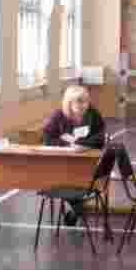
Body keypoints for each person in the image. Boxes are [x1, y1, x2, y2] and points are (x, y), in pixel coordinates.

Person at [42, 85, 107, 225]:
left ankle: (76, 211)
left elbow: (101, 137)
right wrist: (67, 145)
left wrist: (82, 144)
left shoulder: (93, 114)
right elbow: (47, 139)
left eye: (86, 101)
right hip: (63, 163)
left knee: (79, 183)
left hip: (87, 162)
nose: (84, 105)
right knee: (66, 182)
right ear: (69, 102)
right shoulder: (58, 116)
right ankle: (78, 210)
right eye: (79, 101)